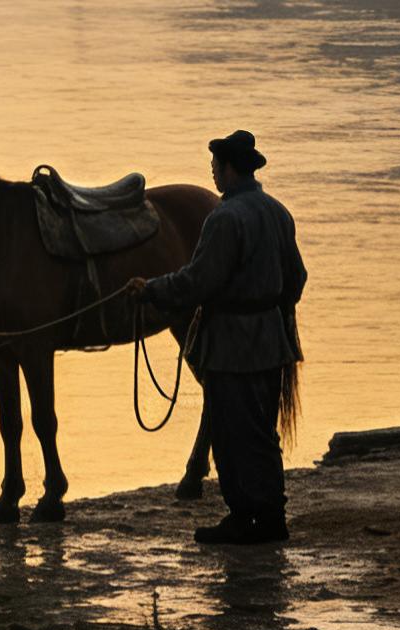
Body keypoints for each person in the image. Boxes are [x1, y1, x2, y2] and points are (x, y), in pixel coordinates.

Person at [128, 130, 306, 544]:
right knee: (262, 431)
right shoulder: (278, 212)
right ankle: (272, 514)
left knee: (229, 432)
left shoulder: (224, 219)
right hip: (270, 340)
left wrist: (151, 289)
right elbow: (296, 279)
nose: (212, 173)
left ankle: (244, 515)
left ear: (229, 169)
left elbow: (198, 281)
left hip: (230, 345)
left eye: (215, 167)